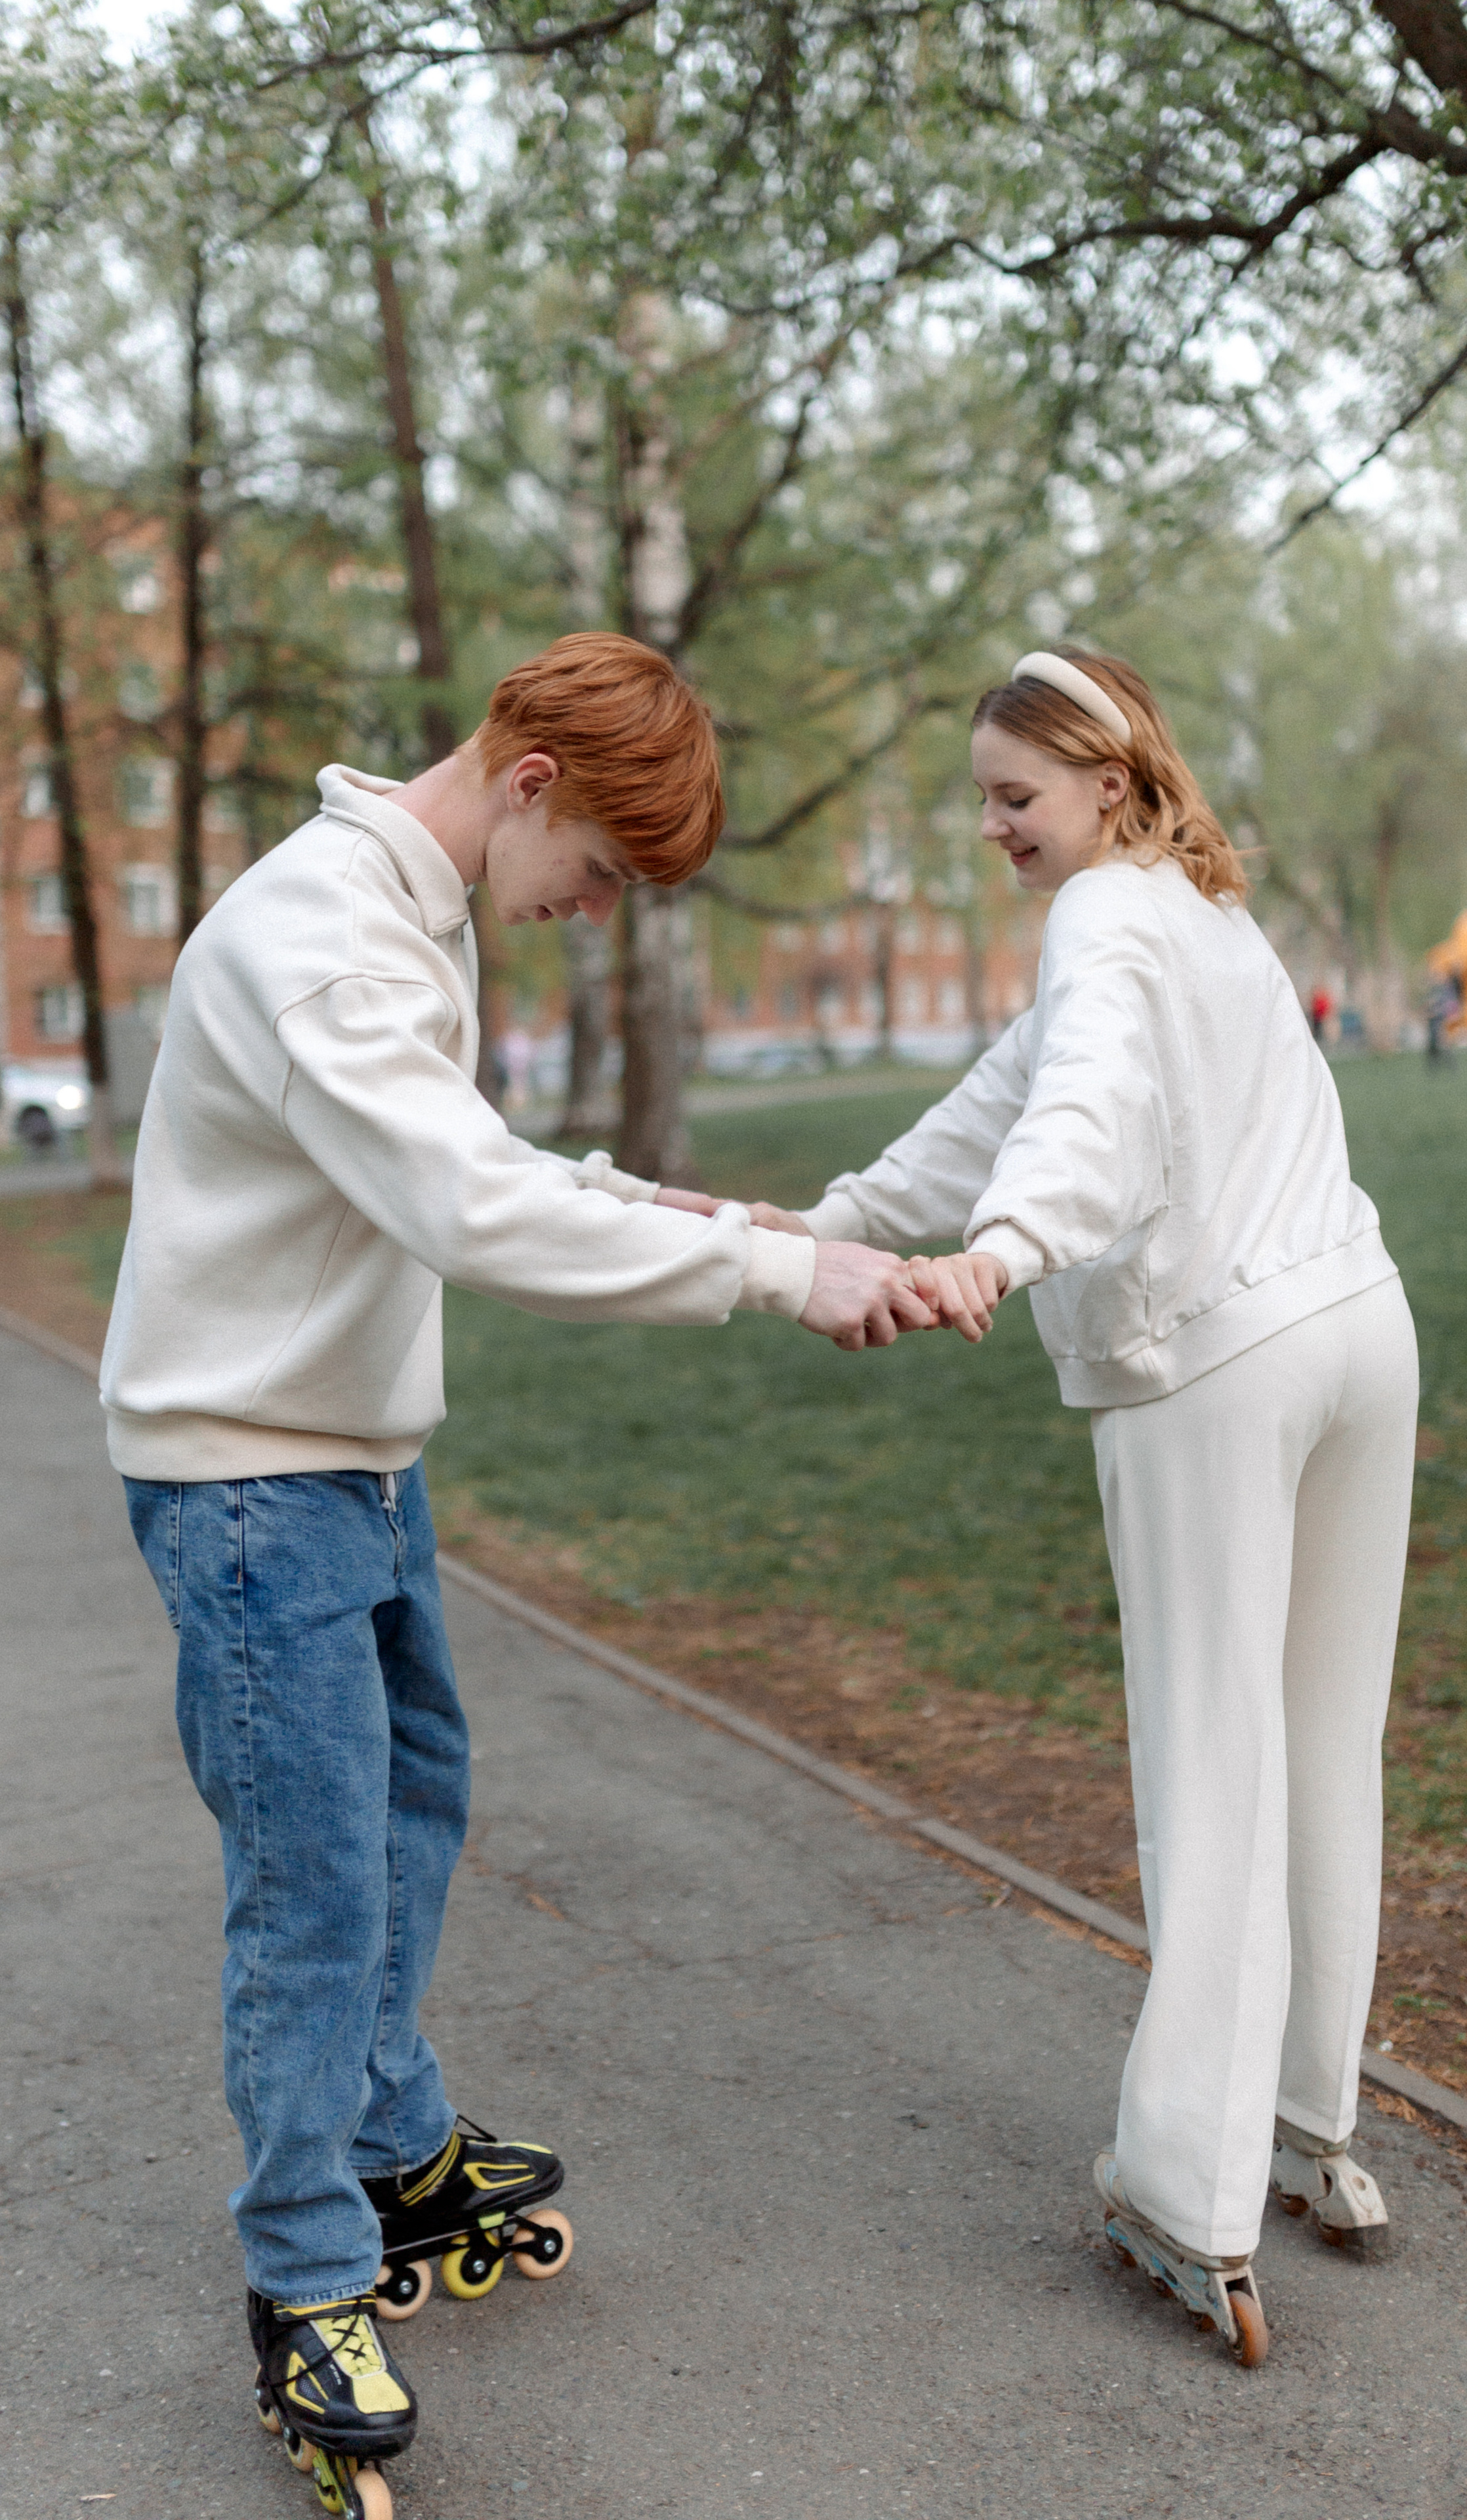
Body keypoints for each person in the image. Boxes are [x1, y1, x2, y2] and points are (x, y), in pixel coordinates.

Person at [103, 631, 936, 2517]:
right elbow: (465, 1209)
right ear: (535, 783)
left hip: (344, 1460)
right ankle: (307, 2272)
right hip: (253, 1478)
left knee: (413, 1802)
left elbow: (473, 1155)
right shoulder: (328, 932)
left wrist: (706, 1213)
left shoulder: (413, 911)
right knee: (313, 1884)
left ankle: (390, 2136)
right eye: (604, 877)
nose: (586, 914)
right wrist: (776, 1278)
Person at [749, 648, 1417, 2368]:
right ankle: (1315, 2130)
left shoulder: (1107, 925)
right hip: (1360, 1331)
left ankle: (1189, 2195)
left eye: (1012, 797)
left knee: (1215, 1764)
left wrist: (1003, 1251)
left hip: (1218, 1366)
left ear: (1107, 783)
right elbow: (1004, 1102)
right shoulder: (1201, 912)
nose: (993, 829)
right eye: (984, 797)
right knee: (1322, 1741)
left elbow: (1083, 1126)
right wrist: (828, 1221)